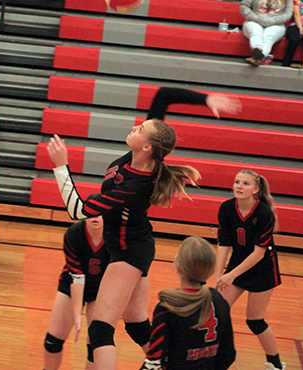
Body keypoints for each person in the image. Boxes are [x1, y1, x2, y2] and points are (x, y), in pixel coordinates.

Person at [47, 86, 241, 370]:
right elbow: (163, 95)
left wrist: (61, 167)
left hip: (128, 252)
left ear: (147, 146)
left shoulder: (136, 185)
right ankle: (174, 364)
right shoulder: (144, 154)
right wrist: (206, 99)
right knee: (137, 324)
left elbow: (78, 211)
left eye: (140, 129)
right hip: (134, 246)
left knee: (100, 329)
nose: (135, 127)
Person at [214, 169, 285, 370]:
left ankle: (276, 364)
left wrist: (231, 275)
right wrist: (219, 275)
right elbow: (224, 243)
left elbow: (258, 253)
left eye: (245, 183)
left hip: (262, 270)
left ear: (256, 189)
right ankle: (218, 359)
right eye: (237, 182)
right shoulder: (227, 208)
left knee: (255, 321)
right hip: (237, 266)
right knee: (217, 311)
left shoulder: (264, 213)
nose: (239, 186)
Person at [140, 236, 236, 370]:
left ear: (178, 265)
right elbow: (228, 355)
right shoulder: (219, 300)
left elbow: (154, 362)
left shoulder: (168, 306)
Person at [43, 215, 110, 370]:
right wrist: (76, 315)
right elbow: (77, 276)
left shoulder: (113, 235)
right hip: (71, 284)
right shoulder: (74, 233)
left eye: (100, 214)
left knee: (96, 346)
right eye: (91, 214)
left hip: (101, 290)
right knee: (52, 341)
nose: (96, 218)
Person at [240, 0, 293, 66]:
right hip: (254, 20)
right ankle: (257, 50)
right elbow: (244, 6)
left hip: (276, 24)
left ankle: (258, 56)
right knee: (255, 31)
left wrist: (274, 21)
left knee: (269, 36)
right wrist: (255, 18)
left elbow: (288, 13)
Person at [282, 0, 303, 66]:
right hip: (296, 24)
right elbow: (296, 14)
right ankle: (286, 64)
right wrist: (300, 28)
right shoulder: (296, 1)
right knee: (294, 39)